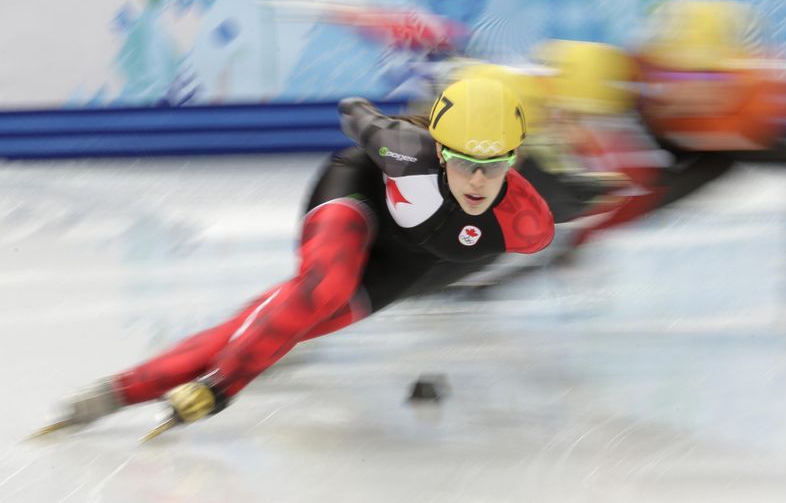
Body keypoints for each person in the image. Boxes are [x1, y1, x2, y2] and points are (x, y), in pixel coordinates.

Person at [33, 78, 556, 440]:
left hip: (401, 262)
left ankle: (117, 391)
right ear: (440, 151)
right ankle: (218, 388)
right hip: (356, 197)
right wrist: (221, 388)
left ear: (516, 156)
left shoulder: (528, 225)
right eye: (466, 163)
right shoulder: (404, 149)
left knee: (283, 323)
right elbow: (353, 111)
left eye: (497, 163)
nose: (480, 181)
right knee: (321, 287)